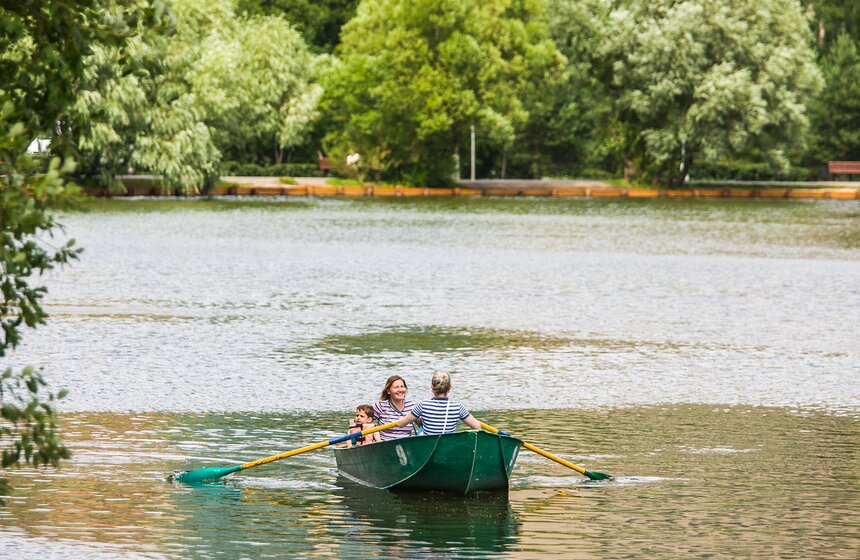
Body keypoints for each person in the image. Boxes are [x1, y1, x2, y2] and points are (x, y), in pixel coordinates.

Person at [396, 371, 481, 435]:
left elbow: (400, 424)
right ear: (450, 387)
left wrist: (415, 417)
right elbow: (477, 426)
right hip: (448, 446)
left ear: (432, 388)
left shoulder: (423, 405)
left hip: (428, 445)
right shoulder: (458, 406)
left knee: (422, 429)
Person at [373, 375, 418, 441]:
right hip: (385, 444)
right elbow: (370, 424)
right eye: (396, 387)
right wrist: (378, 440)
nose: (400, 390)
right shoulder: (380, 406)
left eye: (402, 386)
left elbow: (421, 424)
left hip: (406, 444)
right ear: (388, 391)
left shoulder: (412, 405)